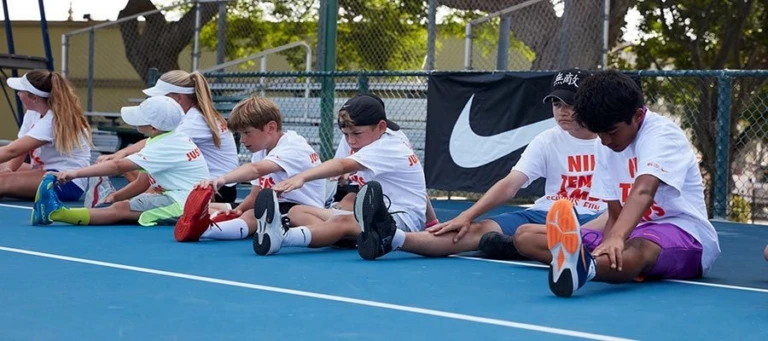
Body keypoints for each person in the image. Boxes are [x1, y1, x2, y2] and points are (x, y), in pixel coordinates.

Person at [349, 69, 607, 261]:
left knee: (538, 237)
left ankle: (518, 246)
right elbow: (510, 184)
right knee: (472, 231)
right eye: (556, 103)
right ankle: (392, 238)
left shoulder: (612, 140)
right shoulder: (548, 139)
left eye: (569, 104)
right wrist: (467, 215)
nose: (561, 111)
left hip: (597, 217)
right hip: (547, 212)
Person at [536, 70, 721, 298]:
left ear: (637, 116)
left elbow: (644, 190)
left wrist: (616, 238)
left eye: (612, 132)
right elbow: (615, 211)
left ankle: (585, 267)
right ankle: (588, 257)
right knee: (527, 236)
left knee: (637, 248)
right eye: (599, 133)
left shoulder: (662, 135)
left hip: (686, 235)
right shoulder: (603, 144)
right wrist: (609, 241)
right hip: (633, 230)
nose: (605, 141)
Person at [252, 93, 427, 257]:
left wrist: (302, 177)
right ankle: (343, 238)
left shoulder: (390, 146)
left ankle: (283, 237)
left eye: (357, 134)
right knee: (298, 211)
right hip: (371, 214)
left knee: (342, 222)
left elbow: (342, 164)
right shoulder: (365, 140)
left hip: (401, 219)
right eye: (346, 135)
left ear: (381, 127)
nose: (351, 141)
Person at [31, 96, 210, 227]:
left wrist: (74, 174)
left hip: (184, 204)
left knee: (120, 210)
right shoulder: (170, 138)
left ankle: (57, 214)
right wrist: (115, 196)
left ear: (154, 127)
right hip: (186, 200)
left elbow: (118, 166)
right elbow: (142, 182)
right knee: (120, 205)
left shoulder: (163, 145)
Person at [173, 96, 327, 242]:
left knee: (254, 215)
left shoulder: (293, 147)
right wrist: (237, 211)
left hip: (302, 209)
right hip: (279, 206)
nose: (243, 140)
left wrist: (222, 179)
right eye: (240, 134)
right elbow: (255, 196)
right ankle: (217, 224)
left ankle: (204, 230)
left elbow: (256, 169)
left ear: (271, 128)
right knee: (218, 208)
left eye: (247, 133)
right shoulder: (261, 149)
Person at [96, 70, 239, 205]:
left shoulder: (194, 120)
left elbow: (162, 143)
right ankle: (140, 200)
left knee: (135, 164)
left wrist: (123, 153)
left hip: (216, 192)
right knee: (136, 164)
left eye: (161, 97)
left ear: (179, 98)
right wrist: (122, 154)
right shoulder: (192, 115)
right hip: (213, 187)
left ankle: (140, 202)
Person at [0, 70, 92, 201]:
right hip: (41, 171)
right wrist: (9, 169)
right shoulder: (33, 112)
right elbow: (20, 149)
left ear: (34, 98)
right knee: (2, 167)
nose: (18, 94)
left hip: (66, 181)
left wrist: (7, 176)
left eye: (21, 91)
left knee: (2, 182)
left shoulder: (53, 120)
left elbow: (12, 150)